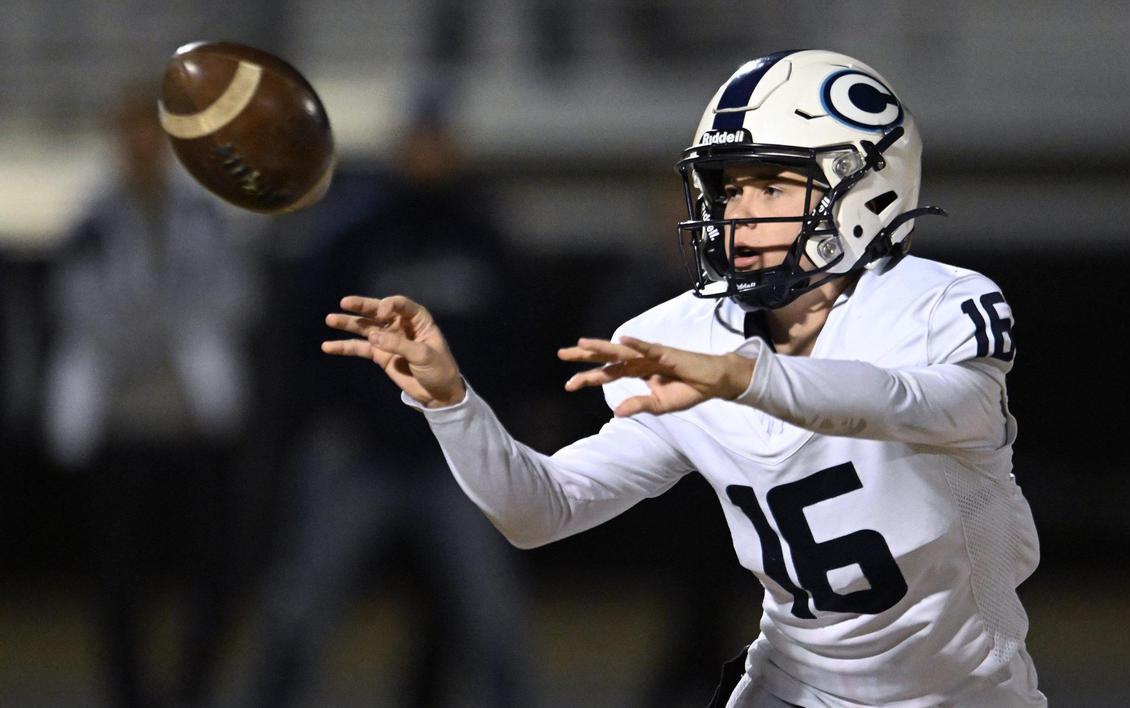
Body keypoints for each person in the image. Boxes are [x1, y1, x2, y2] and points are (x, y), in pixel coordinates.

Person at [322, 50, 1046, 707]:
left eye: (771, 186)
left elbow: (916, 403)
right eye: (728, 190)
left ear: (867, 186)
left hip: (963, 692)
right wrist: (452, 402)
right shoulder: (684, 339)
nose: (737, 215)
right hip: (794, 685)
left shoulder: (935, 305)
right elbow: (539, 511)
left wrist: (744, 378)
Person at [236, 98, 534, 708]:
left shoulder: (482, 234)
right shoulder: (353, 231)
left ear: (455, 149)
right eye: (418, 141)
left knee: (492, 613)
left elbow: (517, 339)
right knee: (301, 604)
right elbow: (306, 335)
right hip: (361, 455)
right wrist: (333, 417)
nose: (427, 153)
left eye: (438, 141)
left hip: (455, 456)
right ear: (400, 147)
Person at [41, 83, 261, 708]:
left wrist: (145, 319)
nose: (140, 145)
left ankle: (190, 692)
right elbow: (86, 321)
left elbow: (239, 299)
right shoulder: (93, 222)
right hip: (122, 431)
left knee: (213, 583)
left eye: (150, 134)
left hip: (195, 429)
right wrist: (177, 323)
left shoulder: (203, 216)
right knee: (120, 590)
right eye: (129, 132)